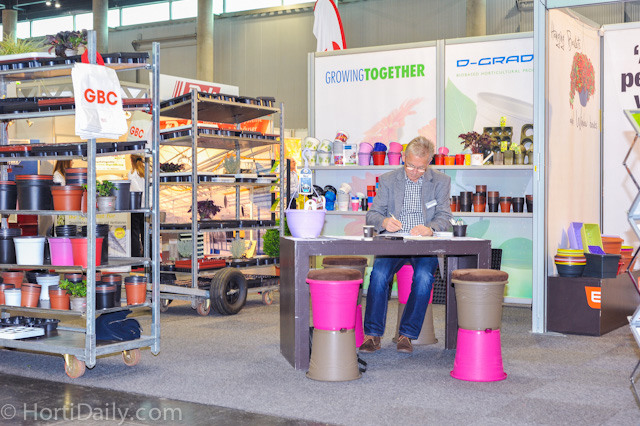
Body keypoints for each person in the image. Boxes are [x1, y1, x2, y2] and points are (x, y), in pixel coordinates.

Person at [360, 136, 453, 354]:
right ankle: (372, 335)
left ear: (429, 162)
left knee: (424, 278)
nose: (414, 172)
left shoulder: (441, 181)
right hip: (393, 242)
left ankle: (407, 335)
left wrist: (430, 229)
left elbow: (445, 217)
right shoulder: (388, 180)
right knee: (378, 275)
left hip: (424, 244)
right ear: (403, 158)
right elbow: (372, 214)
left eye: (420, 168)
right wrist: (384, 222)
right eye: (410, 165)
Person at [129, 155, 146, 258]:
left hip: (135, 206)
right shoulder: (146, 172)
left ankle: (136, 257)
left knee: (134, 233)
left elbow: (134, 190)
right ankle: (149, 256)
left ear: (131, 160)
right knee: (145, 232)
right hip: (146, 207)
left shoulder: (132, 173)